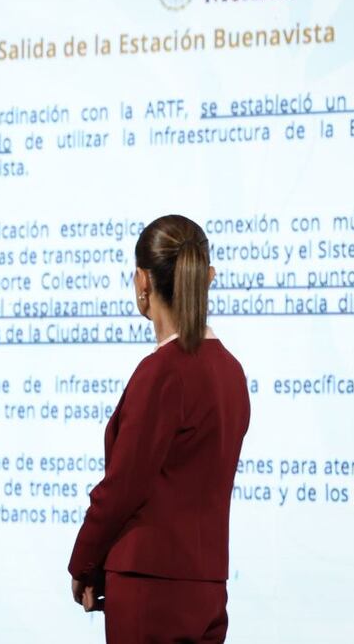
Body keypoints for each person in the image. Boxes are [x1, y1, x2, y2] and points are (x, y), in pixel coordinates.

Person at [68, 215, 249, 643]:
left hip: (150, 591)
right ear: (206, 277)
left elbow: (122, 489)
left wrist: (83, 563)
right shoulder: (231, 372)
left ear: (141, 281)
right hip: (207, 590)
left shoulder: (161, 374)